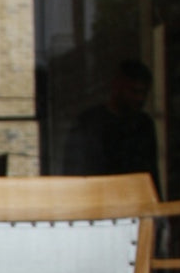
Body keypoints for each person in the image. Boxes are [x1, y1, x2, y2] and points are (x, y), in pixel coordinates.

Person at [65, 59, 161, 195]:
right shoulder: (90, 123)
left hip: (136, 203)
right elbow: (76, 175)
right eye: (134, 91)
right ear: (117, 87)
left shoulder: (143, 124)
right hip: (99, 202)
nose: (140, 99)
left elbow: (152, 176)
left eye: (144, 93)